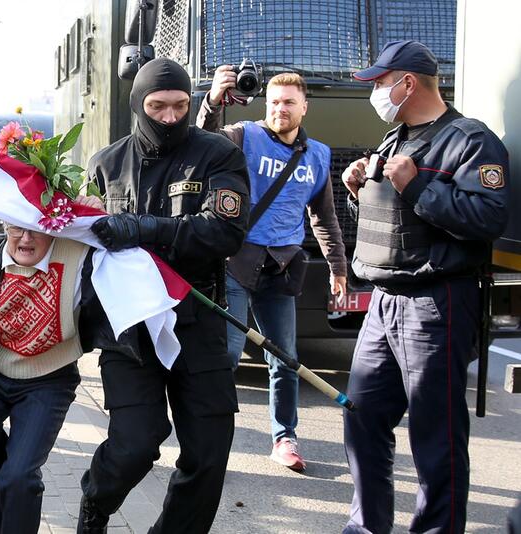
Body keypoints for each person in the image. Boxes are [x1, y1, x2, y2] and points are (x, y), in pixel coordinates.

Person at [340, 40, 509, 534]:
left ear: (407, 82)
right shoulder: (396, 139)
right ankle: (366, 526)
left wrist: (415, 186)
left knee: (435, 435)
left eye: (379, 81)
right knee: (363, 417)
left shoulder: (470, 141)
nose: (374, 91)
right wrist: (358, 195)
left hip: (438, 303)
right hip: (385, 301)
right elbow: (392, 222)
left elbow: (487, 218)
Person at [78, 58, 250, 533]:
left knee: (209, 453)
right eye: (158, 106)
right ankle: (96, 502)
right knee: (136, 444)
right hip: (130, 331)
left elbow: (225, 232)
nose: (170, 116)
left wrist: (144, 228)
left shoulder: (218, 154)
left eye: (180, 105)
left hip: (197, 318)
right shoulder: (105, 164)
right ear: (139, 104)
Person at [197, 70, 347, 471]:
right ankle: (210, 441)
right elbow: (203, 141)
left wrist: (337, 266)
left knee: (286, 358)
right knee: (227, 353)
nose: (281, 109)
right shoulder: (245, 135)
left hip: (281, 268)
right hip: (237, 262)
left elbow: (324, 216)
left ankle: (285, 439)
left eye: (289, 102)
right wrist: (212, 100)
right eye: (275, 102)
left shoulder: (318, 154)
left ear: (304, 107)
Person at [0, 208, 109, 534]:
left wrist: (97, 215)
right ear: (5, 224)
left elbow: (118, 250)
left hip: (49, 380)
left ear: (53, 229)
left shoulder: (81, 256)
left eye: (36, 229)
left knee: (18, 479)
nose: (25, 238)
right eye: (17, 228)